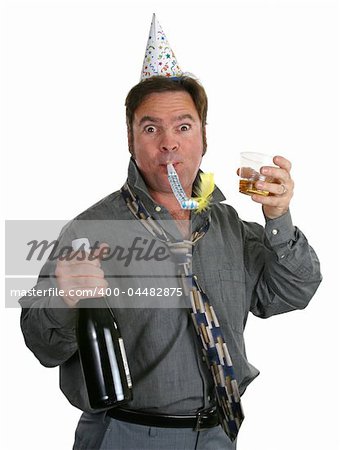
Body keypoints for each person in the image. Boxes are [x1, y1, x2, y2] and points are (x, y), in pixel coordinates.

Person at [19, 15, 322, 450]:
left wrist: (279, 217)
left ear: (203, 136)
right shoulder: (89, 230)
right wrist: (64, 301)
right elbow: (41, 345)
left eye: (183, 126)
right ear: (130, 138)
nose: (168, 143)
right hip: (124, 434)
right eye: (150, 128)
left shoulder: (230, 228)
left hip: (220, 435)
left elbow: (293, 292)